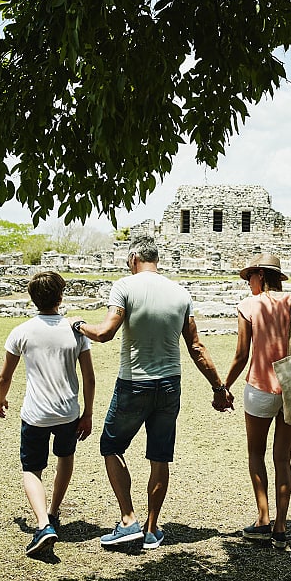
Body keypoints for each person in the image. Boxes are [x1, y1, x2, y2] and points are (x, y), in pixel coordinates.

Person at [72, 235, 232, 550]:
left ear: (133, 259)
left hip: (134, 382)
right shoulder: (180, 293)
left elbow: (105, 332)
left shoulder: (124, 287)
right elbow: (196, 347)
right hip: (170, 384)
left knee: (112, 446)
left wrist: (78, 325)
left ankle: (128, 520)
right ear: (155, 259)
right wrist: (218, 387)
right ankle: (151, 528)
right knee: (160, 456)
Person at [0, 271, 96, 557]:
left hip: (36, 413)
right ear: (61, 296)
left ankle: (43, 524)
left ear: (32, 298)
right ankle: (52, 512)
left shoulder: (22, 331)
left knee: (32, 468)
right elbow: (88, 377)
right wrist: (87, 412)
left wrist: (1, 400)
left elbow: (5, 376)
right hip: (68, 411)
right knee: (65, 458)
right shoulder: (75, 331)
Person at [223, 253, 291, 550]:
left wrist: (224, 386)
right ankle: (281, 527)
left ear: (260, 275)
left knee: (255, 454)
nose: (247, 282)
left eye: (249, 276)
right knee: (283, 458)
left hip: (260, 387)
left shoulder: (249, 306)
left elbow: (241, 355)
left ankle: (262, 519)